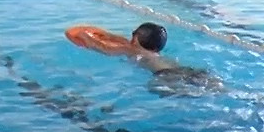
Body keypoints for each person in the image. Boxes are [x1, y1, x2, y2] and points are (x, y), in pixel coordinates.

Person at [66, 20, 216, 91]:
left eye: (134, 33)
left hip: (166, 76)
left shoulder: (132, 51)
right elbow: (117, 39)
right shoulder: (155, 54)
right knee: (213, 88)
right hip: (183, 69)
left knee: (154, 89)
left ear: (135, 38)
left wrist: (84, 35)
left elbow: (102, 47)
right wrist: (105, 34)